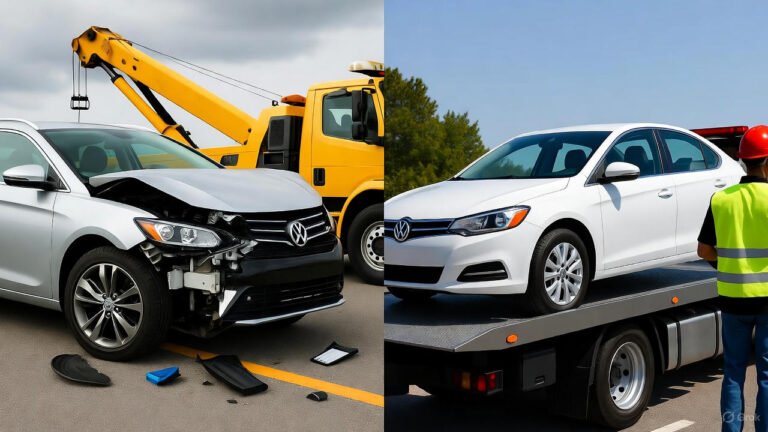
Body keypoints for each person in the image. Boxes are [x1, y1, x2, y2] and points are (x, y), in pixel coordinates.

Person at [698, 125, 768, 432]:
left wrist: (726, 264)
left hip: (731, 301)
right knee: (766, 375)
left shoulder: (721, 200)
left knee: (734, 373)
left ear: (743, 161)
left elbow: (703, 250)